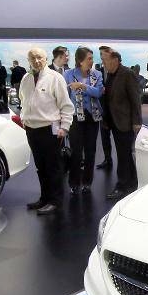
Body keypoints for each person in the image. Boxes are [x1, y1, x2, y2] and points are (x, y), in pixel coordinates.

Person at [19, 47, 74, 215]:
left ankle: (55, 201)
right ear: (28, 60)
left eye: (39, 57)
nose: (36, 61)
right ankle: (44, 198)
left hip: (50, 129)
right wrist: (24, 118)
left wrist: (65, 127)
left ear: (45, 58)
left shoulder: (55, 78)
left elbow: (65, 104)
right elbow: (23, 100)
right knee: (40, 166)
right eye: (32, 58)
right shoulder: (26, 78)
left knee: (54, 166)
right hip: (32, 129)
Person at [63, 47, 104, 195]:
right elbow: (65, 97)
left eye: (92, 58)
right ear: (80, 61)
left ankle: (87, 182)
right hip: (75, 118)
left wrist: (82, 86)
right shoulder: (68, 74)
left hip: (93, 118)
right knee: (76, 152)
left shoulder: (97, 74)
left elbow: (98, 92)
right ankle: (74, 183)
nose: (92, 61)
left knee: (91, 151)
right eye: (89, 58)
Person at [102, 49, 141, 200]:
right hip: (114, 122)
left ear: (115, 60)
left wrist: (137, 121)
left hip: (125, 122)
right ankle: (132, 183)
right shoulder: (111, 74)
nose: (103, 63)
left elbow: (135, 99)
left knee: (123, 155)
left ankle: (122, 186)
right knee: (125, 155)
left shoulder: (127, 74)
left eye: (105, 59)